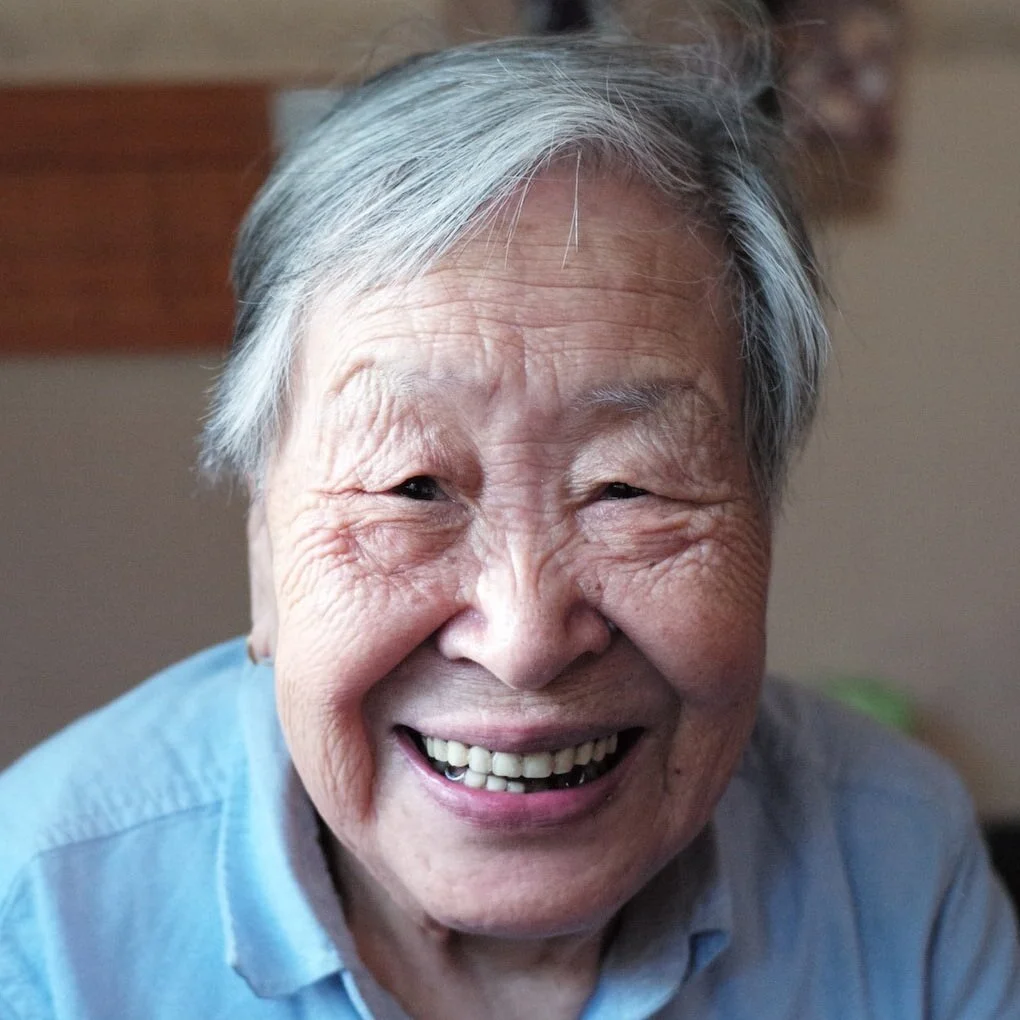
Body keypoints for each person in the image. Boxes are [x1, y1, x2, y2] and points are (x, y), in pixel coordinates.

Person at [1, 29, 1018, 1020]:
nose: (525, 640)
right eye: (412, 487)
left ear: (763, 527)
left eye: (629, 489)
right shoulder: (40, 929)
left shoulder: (890, 860)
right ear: (265, 553)